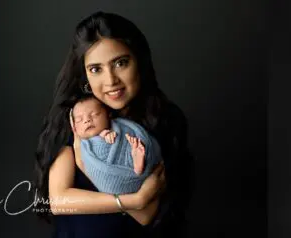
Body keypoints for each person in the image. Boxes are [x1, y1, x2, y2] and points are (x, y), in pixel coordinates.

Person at [34, 11, 193, 237]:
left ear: (139, 61)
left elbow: (145, 215)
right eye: (96, 69)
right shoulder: (77, 118)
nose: (110, 81)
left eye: (120, 63)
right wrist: (134, 199)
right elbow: (59, 201)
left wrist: (82, 157)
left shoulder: (164, 120)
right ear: (85, 74)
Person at [72, 95, 161, 194]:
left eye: (95, 114)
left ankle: (136, 161)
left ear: (108, 115)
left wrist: (110, 135)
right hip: (111, 181)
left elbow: (122, 134)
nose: (87, 120)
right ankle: (136, 167)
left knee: (133, 143)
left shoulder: (119, 127)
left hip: (144, 169)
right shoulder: (83, 146)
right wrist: (102, 138)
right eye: (79, 120)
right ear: (74, 127)